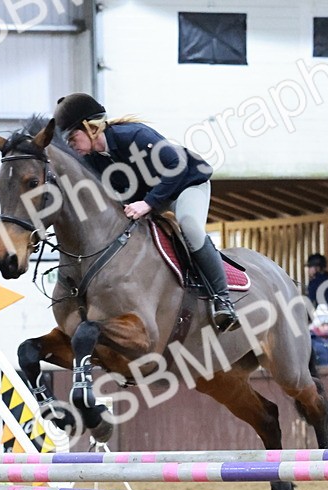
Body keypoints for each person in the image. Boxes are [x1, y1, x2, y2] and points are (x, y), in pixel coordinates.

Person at [52, 92, 239, 333]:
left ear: (91, 128)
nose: (71, 145)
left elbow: (175, 166)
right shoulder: (94, 161)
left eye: (71, 137)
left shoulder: (134, 136)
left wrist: (148, 203)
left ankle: (221, 299)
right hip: (150, 198)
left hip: (185, 184)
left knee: (189, 225)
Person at [305, 253, 328, 323]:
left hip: (322, 320)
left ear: (317, 268)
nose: (308, 270)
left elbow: (310, 302)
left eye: (310, 267)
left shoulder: (314, 282)